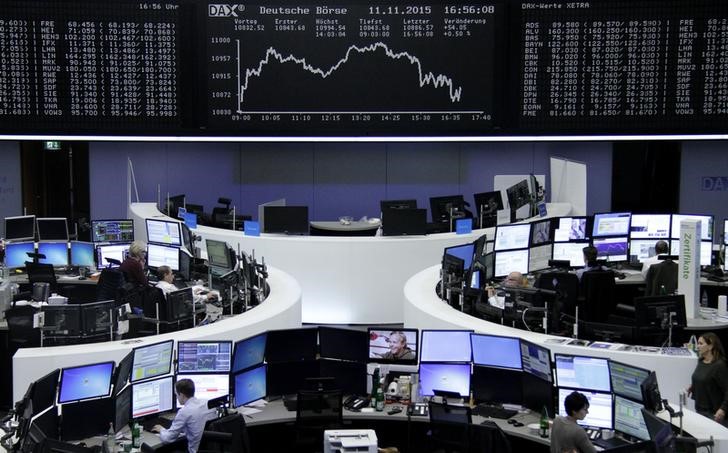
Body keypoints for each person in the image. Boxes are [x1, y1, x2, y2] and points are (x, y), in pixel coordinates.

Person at [152, 379, 216, 453]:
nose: (176, 397)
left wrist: (161, 430)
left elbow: (168, 439)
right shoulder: (207, 403)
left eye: (176, 394)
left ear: (182, 395)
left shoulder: (184, 411)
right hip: (208, 447)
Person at [687, 332, 728, 425]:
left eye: (701, 343)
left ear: (711, 346)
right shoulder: (701, 361)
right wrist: (693, 386)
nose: (697, 346)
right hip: (699, 410)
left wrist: (723, 409)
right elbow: (703, 378)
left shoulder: (719, 366)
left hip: (714, 414)